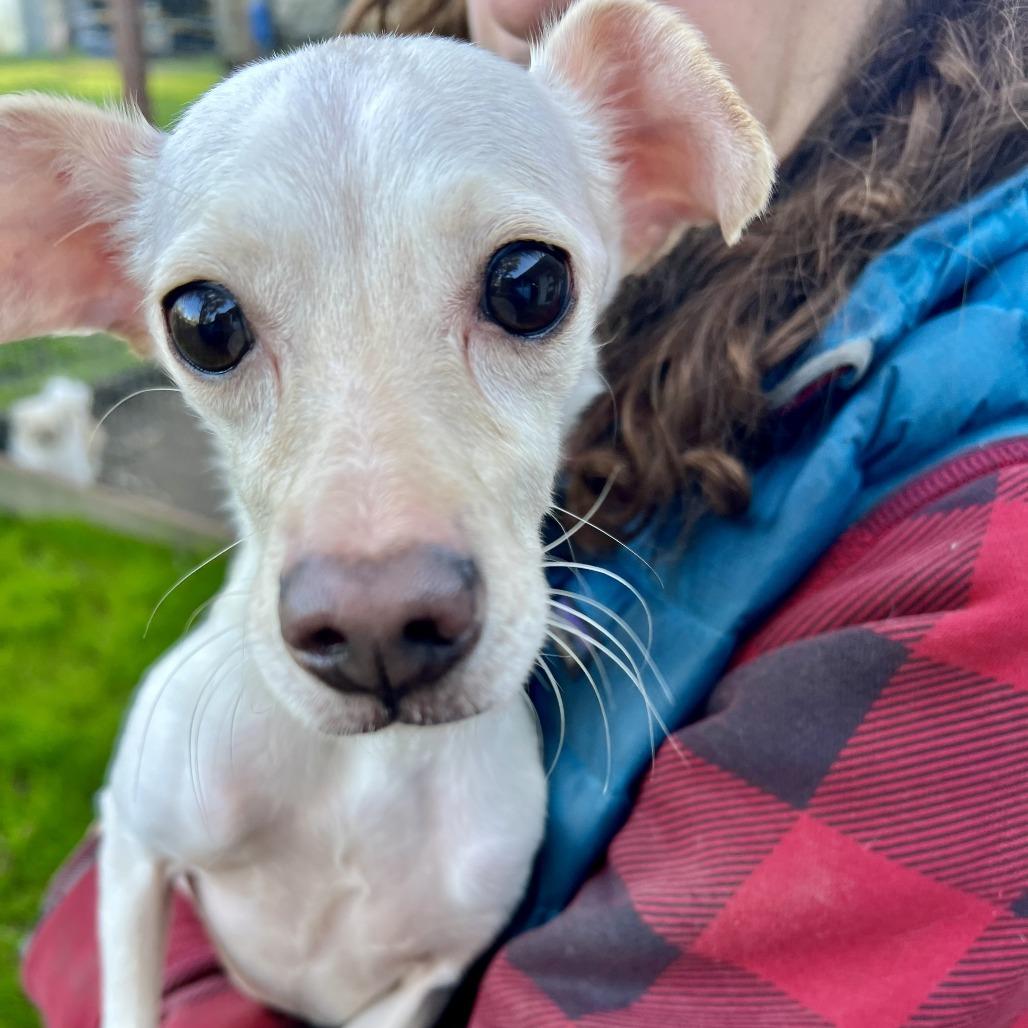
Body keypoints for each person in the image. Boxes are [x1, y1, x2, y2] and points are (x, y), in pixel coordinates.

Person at [22, 0, 1028, 1024]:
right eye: (214, 327)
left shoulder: (984, 547)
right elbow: (129, 841)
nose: (502, 3)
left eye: (522, 290)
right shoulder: (612, 250)